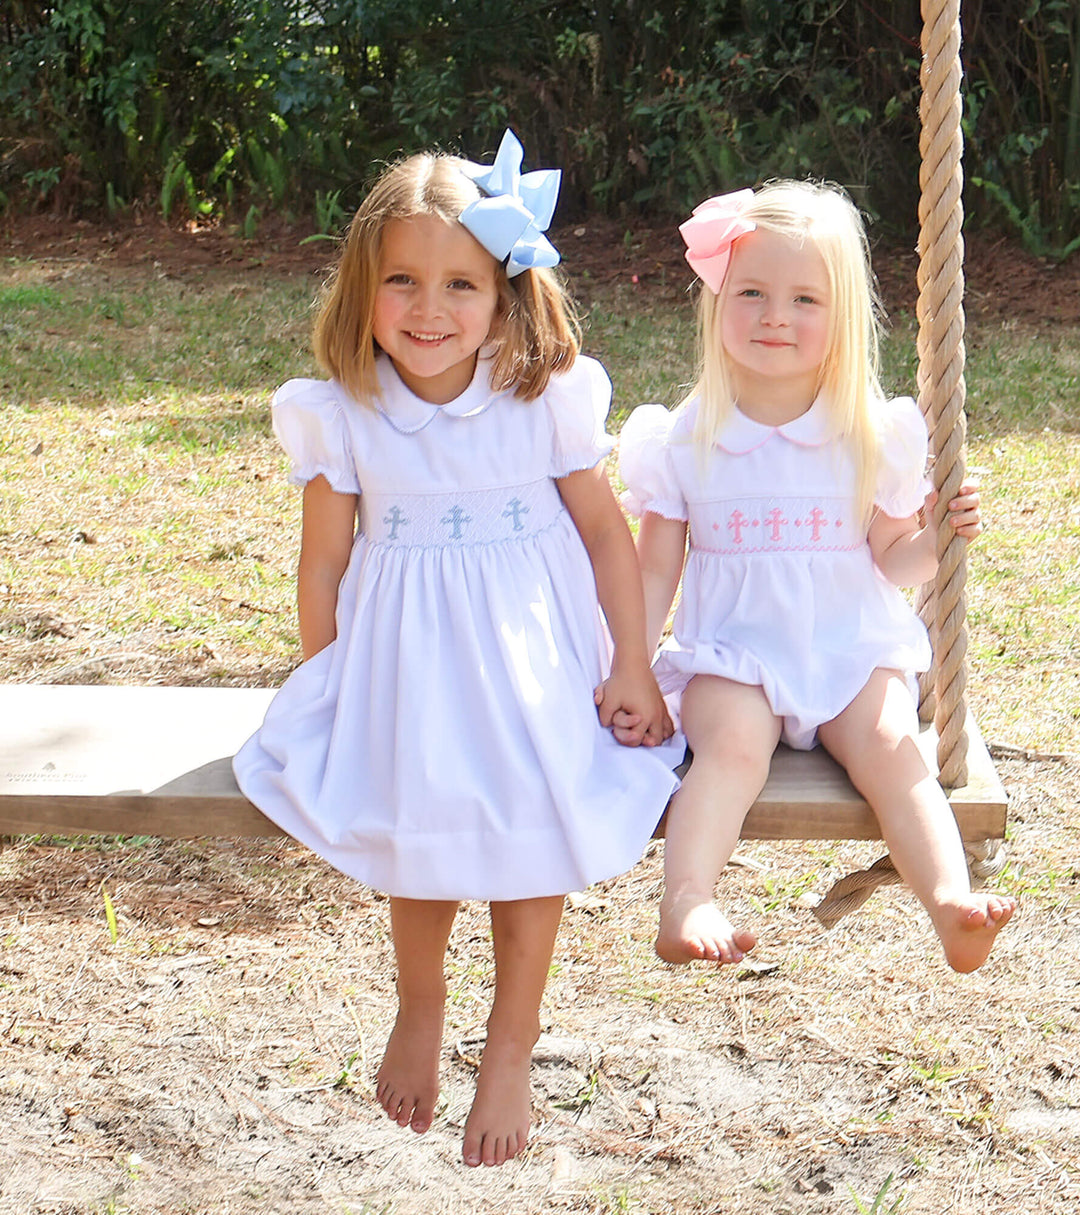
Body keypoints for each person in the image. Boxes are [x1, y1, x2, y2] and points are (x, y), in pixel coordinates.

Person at [234, 131, 679, 1168]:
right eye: (401, 281)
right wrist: (329, 678)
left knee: (533, 818)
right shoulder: (341, 414)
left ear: (505, 295)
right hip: (403, 660)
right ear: (362, 288)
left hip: (532, 659)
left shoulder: (539, 399)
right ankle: (421, 1004)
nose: (428, 311)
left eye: (458, 286)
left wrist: (628, 662)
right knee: (417, 809)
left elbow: (609, 542)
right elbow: (321, 567)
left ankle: (512, 1044)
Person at [616, 181, 1015, 974]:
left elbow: (892, 557)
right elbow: (655, 566)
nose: (775, 315)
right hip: (735, 653)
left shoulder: (869, 430)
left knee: (895, 746)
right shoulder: (686, 436)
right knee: (730, 749)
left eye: (805, 299)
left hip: (847, 647)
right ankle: (687, 896)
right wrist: (626, 663)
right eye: (753, 292)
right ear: (717, 300)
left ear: (842, 321)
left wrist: (939, 535)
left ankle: (950, 903)